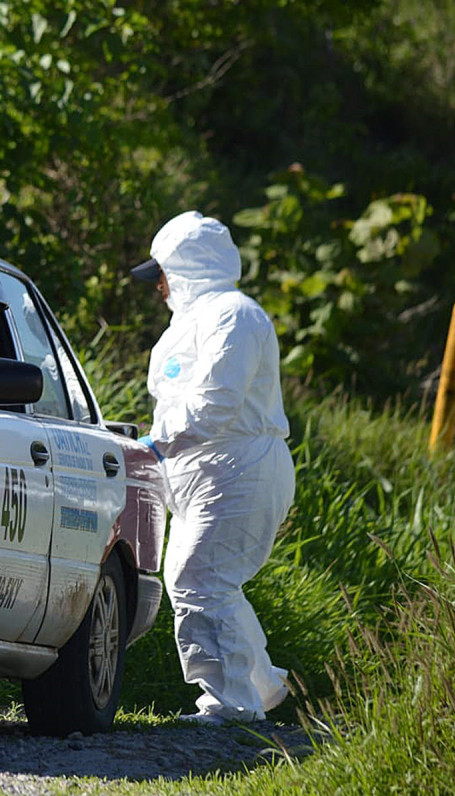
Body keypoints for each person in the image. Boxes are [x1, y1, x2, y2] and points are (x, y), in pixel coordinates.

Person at [131, 211, 296, 725]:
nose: (157, 285)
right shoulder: (191, 323)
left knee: (198, 578)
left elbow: (216, 403)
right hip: (201, 473)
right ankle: (261, 687)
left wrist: (154, 444)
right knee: (206, 581)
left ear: (182, 269)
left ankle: (231, 707)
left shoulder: (235, 316)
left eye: (160, 272)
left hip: (238, 469)